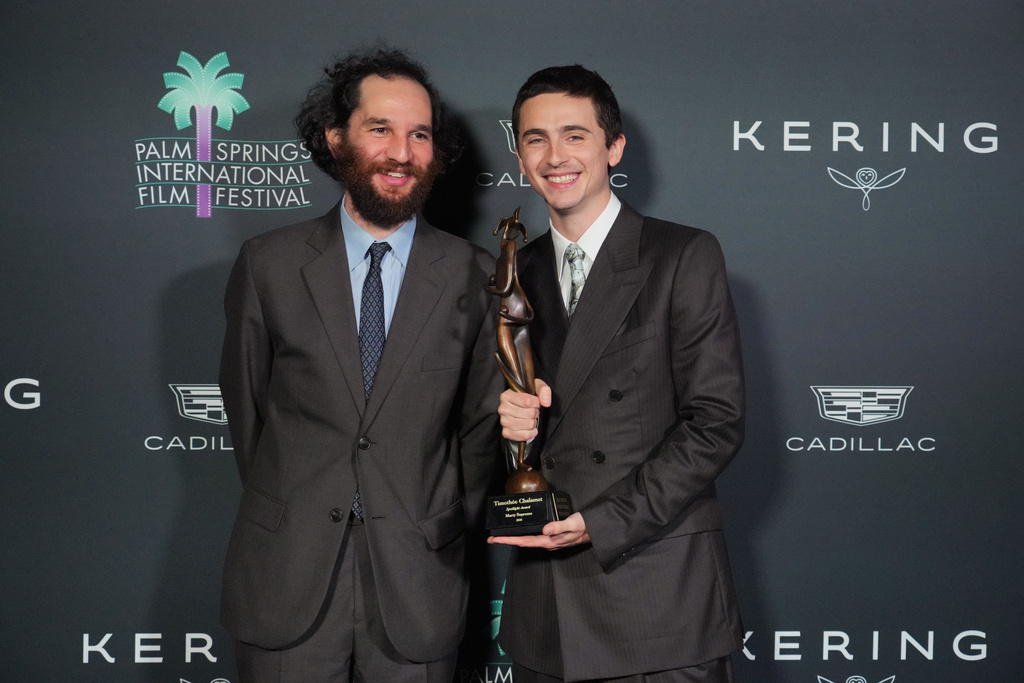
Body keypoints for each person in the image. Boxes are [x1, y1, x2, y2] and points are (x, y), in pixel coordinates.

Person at [218, 47, 502, 683]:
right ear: (335, 137)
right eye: (380, 128)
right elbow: (248, 416)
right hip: (286, 578)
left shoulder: (475, 274)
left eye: (419, 134)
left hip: (418, 578)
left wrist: (434, 520)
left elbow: (480, 433)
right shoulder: (268, 265)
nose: (401, 152)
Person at [490, 65, 746, 682]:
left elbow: (715, 422)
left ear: (614, 147)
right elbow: (488, 434)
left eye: (575, 135)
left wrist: (602, 523)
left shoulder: (681, 254)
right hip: (547, 607)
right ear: (519, 157)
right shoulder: (510, 273)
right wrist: (509, 425)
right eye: (535, 139)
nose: (555, 156)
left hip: (655, 593)